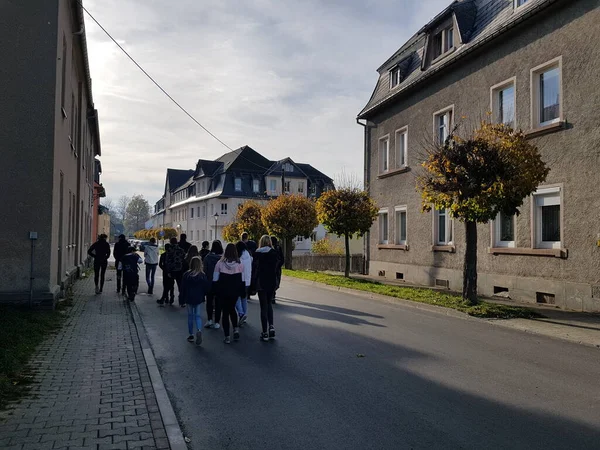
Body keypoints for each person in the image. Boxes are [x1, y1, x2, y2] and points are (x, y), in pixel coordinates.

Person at [213, 243, 246, 344]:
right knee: (232, 309)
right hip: (234, 291)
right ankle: (235, 328)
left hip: (223, 291)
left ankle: (227, 336)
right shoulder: (240, 264)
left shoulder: (219, 264)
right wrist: (243, 292)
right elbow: (242, 280)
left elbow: (215, 279)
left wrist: (215, 291)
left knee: (225, 312)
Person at [253, 235, 279, 341]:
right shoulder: (274, 253)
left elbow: (255, 268)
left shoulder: (257, 253)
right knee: (269, 304)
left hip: (261, 281)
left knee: (263, 306)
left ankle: (264, 332)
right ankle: (271, 326)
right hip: (271, 281)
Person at [180, 256, 210, 345]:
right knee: (197, 316)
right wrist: (203, 295)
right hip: (198, 298)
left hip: (189, 298)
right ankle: (199, 330)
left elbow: (183, 288)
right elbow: (206, 288)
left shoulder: (186, 275)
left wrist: (181, 299)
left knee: (190, 316)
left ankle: (191, 334)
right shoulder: (202, 275)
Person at [203, 240, 223, 329]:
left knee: (209, 302)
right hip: (219, 283)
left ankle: (210, 319)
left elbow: (205, 271)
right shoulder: (222, 259)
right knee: (218, 303)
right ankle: (217, 322)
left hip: (209, 282)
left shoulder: (207, 257)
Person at [235, 241, 252, 326]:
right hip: (247, 280)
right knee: (244, 298)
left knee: (236, 297)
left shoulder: (238, 257)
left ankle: (241, 313)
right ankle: (244, 315)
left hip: (239, 279)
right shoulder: (248, 255)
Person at [165, 237, 186, 307]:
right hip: (179, 269)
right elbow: (184, 258)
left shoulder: (169, 250)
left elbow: (167, 261)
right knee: (180, 285)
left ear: (170, 242)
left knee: (171, 285)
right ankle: (182, 300)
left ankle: (171, 297)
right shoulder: (181, 250)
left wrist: (168, 271)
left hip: (171, 270)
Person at [271, 236, 284, 304]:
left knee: (272, 282)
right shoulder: (278, 248)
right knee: (276, 282)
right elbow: (282, 259)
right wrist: (279, 266)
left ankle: (272, 295)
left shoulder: (270, 249)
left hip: (272, 269)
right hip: (277, 269)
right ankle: (273, 295)